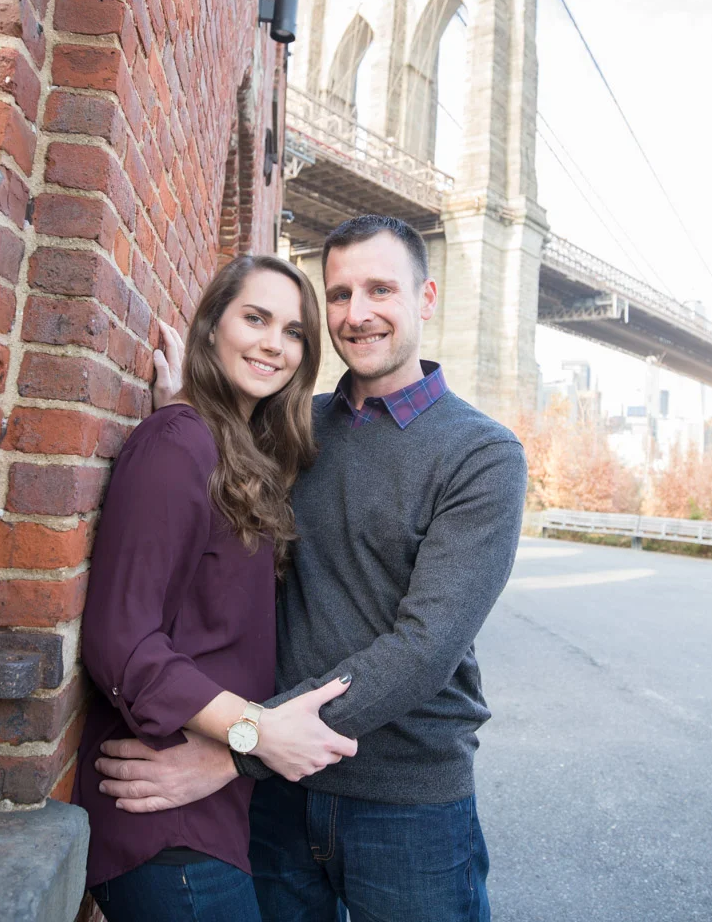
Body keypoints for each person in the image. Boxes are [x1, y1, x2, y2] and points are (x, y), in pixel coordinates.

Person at [95, 215, 528, 922]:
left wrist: (239, 753)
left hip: (403, 804)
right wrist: (184, 411)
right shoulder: (293, 430)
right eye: (340, 295)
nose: (357, 314)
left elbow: (424, 650)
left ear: (426, 298)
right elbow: (214, 484)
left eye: (381, 290)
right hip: (278, 805)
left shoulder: (481, 455)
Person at [74, 253, 359, 922]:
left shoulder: (223, 449)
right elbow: (121, 643)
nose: (274, 344)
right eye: (255, 318)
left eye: (294, 332)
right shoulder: (179, 444)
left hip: (212, 812)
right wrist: (257, 733)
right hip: (164, 820)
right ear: (210, 328)